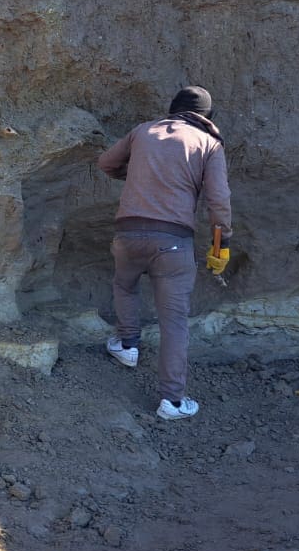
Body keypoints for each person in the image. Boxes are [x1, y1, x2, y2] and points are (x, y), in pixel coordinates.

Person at [96, 85, 232, 420]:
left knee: (125, 285)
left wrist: (134, 174)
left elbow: (105, 163)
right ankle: (171, 401)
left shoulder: (143, 131)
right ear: (207, 117)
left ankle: (127, 346)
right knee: (174, 322)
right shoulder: (209, 144)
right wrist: (222, 244)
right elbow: (219, 202)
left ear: (173, 109)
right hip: (173, 242)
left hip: (128, 233)